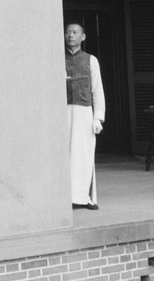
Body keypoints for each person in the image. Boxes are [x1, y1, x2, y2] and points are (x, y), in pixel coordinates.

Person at [65, 22, 105, 210]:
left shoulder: (91, 60)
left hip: (83, 112)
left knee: (83, 154)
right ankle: (66, 197)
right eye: (68, 32)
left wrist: (98, 117)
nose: (70, 35)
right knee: (65, 154)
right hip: (63, 111)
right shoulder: (57, 58)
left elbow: (97, 90)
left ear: (83, 37)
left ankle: (84, 197)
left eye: (75, 32)